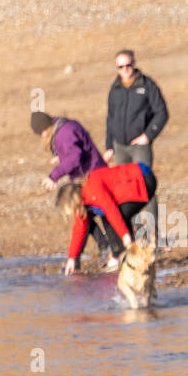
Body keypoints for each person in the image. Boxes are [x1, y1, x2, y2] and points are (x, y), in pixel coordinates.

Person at [31, 110, 120, 268]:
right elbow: (74, 149)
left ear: (46, 129)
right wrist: (60, 157)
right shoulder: (64, 127)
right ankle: (102, 248)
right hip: (86, 176)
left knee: (97, 214)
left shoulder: (64, 132)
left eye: (42, 133)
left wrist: (54, 176)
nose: (43, 137)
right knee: (85, 214)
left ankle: (112, 251)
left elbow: (74, 157)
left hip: (93, 175)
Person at [57, 162, 158, 277]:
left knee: (116, 218)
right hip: (129, 186)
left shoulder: (92, 189)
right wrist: (72, 258)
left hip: (143, 179)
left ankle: (126, 256)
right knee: (111, 220)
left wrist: (124, 235)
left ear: (73, 200)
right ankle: (125, 256)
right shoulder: (82, 202)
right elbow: (79, 228)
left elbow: (110, 209)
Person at [104, 49, 168, 167]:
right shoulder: (115, 89)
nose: (125, 69)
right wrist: (109, 147)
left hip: (140, 146)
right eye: (121, 66)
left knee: (143, 180)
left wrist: (148, 135)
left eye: (128, 65)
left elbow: (161, 112)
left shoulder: (147, 85)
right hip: (120, 147)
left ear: (134, 63)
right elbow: (110, 118)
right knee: (123, 183)